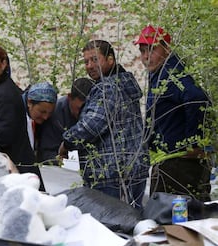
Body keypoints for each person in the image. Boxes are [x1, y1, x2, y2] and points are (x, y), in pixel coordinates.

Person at [58, 40, 150, 210]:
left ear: (110, 60)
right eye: (86, 61)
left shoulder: (107, 87)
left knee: (111, 229)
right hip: (134, 169)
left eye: (95, 59)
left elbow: (91, 125)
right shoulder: (124, 83)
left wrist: (67, 143)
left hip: (111, 174)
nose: (89, 66)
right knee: (131, 222)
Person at [134, 25, 212, 202]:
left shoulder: (171, 73)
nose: (146, 56)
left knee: (169, 222)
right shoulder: (160, 73)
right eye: (142, 51)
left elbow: (197, 99)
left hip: (178, 165)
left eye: (152, 49)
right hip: (171, 162)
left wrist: (193, 143)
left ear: (167, 49)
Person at [0, 42, 45, 190]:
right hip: (6, 171)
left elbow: (2, 137)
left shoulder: (5, 94)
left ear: (3, 64)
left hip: (15, 172)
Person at [37, 78, 94, 164]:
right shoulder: (54, 114)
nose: (83, 113)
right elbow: (47, 153)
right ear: (70, 97)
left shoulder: (96, 113)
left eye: (87, 109)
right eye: (79, 108)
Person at [21, 82, 58, 161]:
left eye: (50, 113)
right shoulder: (14, 115)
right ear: (29, 103)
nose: (46, 117)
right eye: (42, 112)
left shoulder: (48, 119)